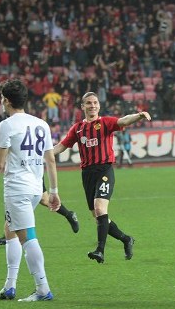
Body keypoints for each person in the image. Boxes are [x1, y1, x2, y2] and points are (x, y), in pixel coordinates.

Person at [0, 78, 61, 301]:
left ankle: (43, 289)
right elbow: (51, 160)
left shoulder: (7, 125)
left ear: (6, 100)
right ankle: (9, 286)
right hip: (36, 188)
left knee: (27, 237)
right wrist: (53, 190)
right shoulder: (41, 124)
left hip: (18, 189)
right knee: (10, 229)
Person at [53, 92, 151, 264]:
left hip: (105, 170)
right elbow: (62, 146)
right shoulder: (77, 128)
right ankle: (126, 239)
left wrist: (139, 116)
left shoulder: (105, 122)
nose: (92, 106)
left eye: (95, 102)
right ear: (82, 107)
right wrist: (42, 155)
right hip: (87, 174)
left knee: (100, 208)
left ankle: (100, 250)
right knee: (98, 215)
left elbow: (123, 120)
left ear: (99, 105)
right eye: (89, 103)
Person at [0, 183, 79, 246]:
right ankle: (9, 234)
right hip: (23, 173)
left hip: (31, 171)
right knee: (43, 200)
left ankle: (69, 215)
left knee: (19, 199)